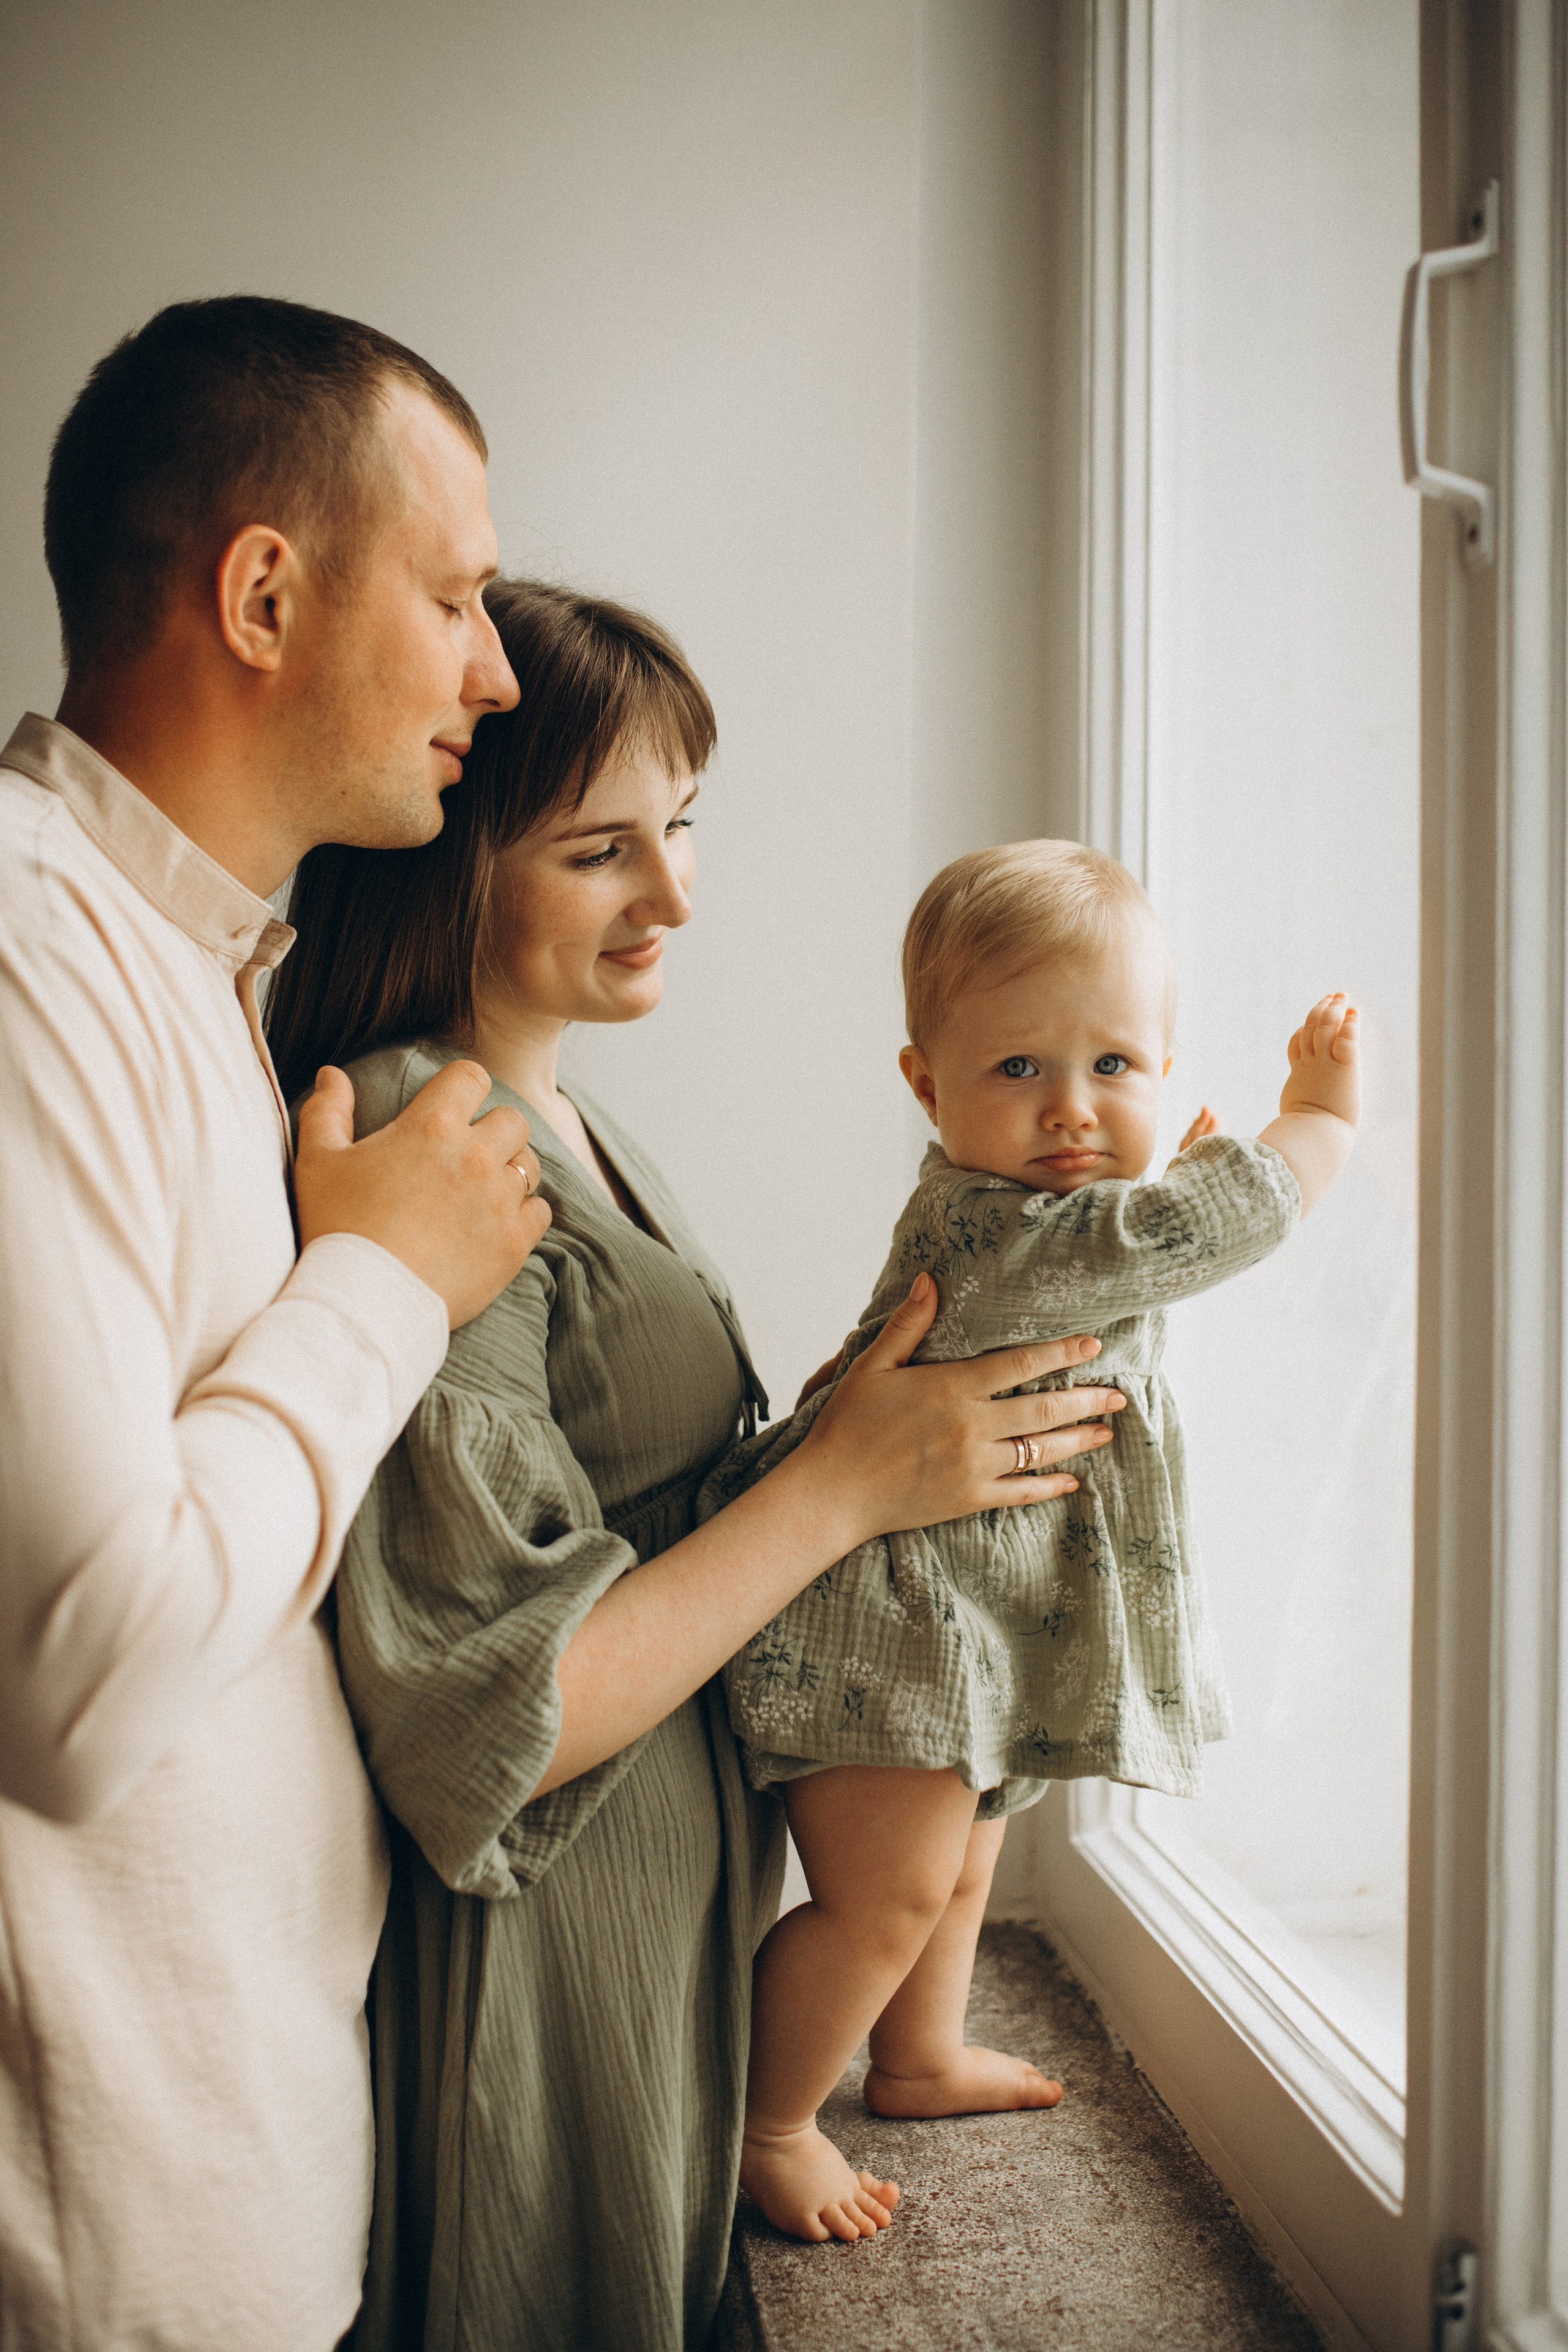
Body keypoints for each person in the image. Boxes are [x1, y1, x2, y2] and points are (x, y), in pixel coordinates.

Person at [263, 582, 1129, 2352]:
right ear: (450, 853)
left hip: (667, 1907)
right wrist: (841, 1489)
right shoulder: (432, 1143)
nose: (674, 895)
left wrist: (881, 1421)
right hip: (553, 1944)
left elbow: (639, 1482)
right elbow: (489, 1714)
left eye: (680, 829)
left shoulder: (560, 1119)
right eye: (602, 852)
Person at [0, 295, 557, 2352]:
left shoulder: (177, 968)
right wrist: (388, 1283)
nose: (494, 671)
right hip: (108, 2262)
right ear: (261, 592)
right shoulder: (24, 952)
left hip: (237, 2179)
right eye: (457, 596)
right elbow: (71, 1676)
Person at [701, 838, 1361, 2241]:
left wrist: (1144, 1197)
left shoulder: (1065, 1217)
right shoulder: (1003, 1225)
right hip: (883, 1614)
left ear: (1168, 1071)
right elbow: (1211, 1223)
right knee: (882, 1897)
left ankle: (919, 2055)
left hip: (963, 1607)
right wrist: (1314, 1123)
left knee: (966, 1857)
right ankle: (765, 2122)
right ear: (924, 1084)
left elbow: (1137, 1245)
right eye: (1015, 1072)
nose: (1070, 1112)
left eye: (1114, 1067)